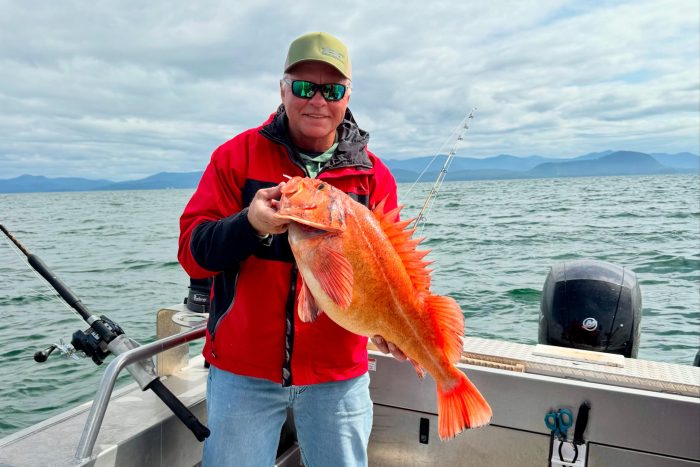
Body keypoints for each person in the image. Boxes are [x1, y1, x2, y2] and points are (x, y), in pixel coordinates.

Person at [178, 32, 403, 466]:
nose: (318, 100)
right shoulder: (234, 158)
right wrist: (250, 224)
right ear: (283, 90)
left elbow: (392, 274)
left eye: (332, 90)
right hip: (242, 372)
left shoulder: (374, 178)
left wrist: (388, 323)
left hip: (338, 374)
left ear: (346, 96)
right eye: (304, 87)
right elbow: (192, 251)